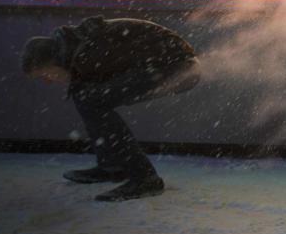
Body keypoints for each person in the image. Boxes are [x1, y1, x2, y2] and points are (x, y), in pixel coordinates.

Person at [22, 16, 200, 202]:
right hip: (173, 64)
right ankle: (112, 167)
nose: (48, 82)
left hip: (178, 67)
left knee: (91, 101)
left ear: (54, 61)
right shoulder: (78, 48)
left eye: (45, 74)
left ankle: (145, 178)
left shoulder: (88, 52)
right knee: (85, 97)